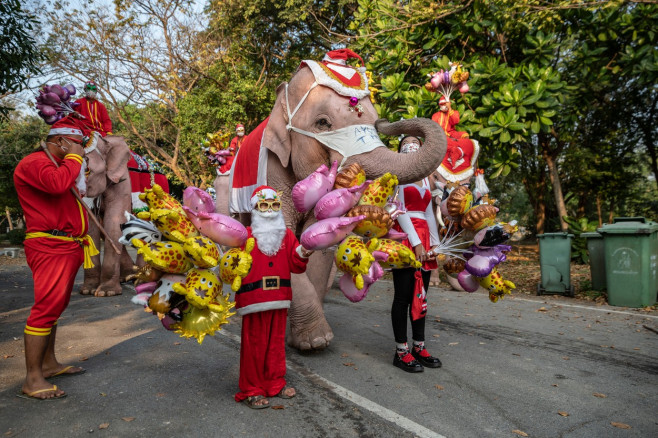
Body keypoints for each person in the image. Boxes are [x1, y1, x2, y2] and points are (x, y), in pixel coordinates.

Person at [13, 117, 96, 400]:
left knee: (55, 307)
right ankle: (32, 379)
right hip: (50, 245)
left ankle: (48, 364)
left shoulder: (60, 164)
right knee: (46, 308)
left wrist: (73, 160)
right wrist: (74, 158)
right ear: (59, 141)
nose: (82, 149)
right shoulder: (34, 162)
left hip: (66, 245)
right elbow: (56, 185)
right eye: (77, 143)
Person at [234, 185, 313, 409]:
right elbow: (233, 266)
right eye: (264, 205)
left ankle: (275, 382)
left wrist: (304, 252)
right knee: (254, 345)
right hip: (253, 299)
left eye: (274, 205)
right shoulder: (245, 236)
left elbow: (296, 265)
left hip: (279, 296)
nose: (269, 210)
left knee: (276, 343)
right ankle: (252, 388)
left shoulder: (286, 235)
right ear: (255, 209)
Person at [390, 136, 442, 373]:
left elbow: (429, 213)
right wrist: (415, 242)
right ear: (400, 148)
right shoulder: (398, 174)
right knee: (403, 296)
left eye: (416, 141)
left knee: (421, 295)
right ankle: (401, 351)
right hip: (405, 237)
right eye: (407, 141)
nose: (412, 144)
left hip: (424, 239)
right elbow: (398, 209)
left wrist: (435, 243)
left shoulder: (424, 177)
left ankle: (419, 347)